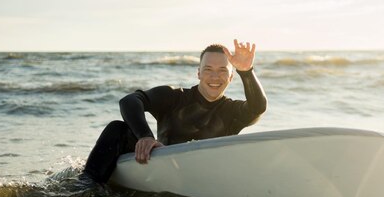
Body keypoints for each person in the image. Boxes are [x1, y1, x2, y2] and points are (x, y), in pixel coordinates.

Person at [80, 39, 267, 184]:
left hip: (206, 176)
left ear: (231, 76)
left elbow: (257, 107)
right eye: (208, 69)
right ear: (198, 73)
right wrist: (145, 136)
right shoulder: (174, 97)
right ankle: (85, 189)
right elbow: (130, 101)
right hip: (161, 172)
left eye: (222, 71)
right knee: (118, 129)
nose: (215, 77)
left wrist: (247, 71)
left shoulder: (233, 111)